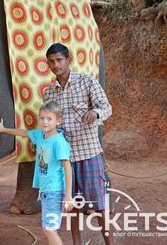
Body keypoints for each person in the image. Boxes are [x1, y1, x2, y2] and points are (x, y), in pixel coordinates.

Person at [43, 43, 114, 245]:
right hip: (64, 160)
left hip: (89, 154)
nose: (56, 65)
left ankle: (110, 243)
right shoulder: (49, 94)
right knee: (71, 206)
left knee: (100, 205)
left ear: (68, 59)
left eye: (59, 60)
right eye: (51, 61)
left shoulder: (86, 82)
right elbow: (49, 126)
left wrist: (95, 112)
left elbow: (106, 107)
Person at [0, 100, 73, 245]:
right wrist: (3, 129)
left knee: (49, 228)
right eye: (42, 118)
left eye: (49, 119)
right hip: (46, 191)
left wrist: (68, 195)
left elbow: (68, 168)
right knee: (48, 228)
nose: (45, 122)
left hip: (55, 191)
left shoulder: (58, 142)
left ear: (58, 121)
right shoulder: (40, 135)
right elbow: (24, 133)